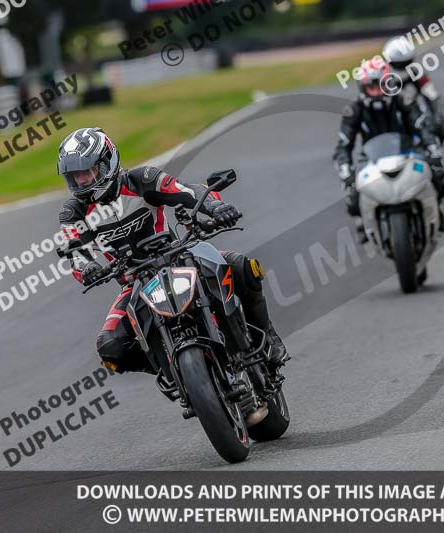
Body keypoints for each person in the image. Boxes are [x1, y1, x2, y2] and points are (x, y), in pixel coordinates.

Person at [56, 127, 289, 374]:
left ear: (107, 163)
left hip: (179, 258)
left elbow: (187, 191)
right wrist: (87, 267)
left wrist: (216, 208)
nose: (80, 181)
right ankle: (173, 370)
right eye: (73, 176)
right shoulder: (73, 212)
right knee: (111, 347)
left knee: (243, 267)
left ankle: (268, 337)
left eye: (85, 172)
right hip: (134, 283)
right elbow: (74, 251)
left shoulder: (142, 179)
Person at [333, 59, 444, 238]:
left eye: (380, 86)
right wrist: (345, 172)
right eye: (372, 88)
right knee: (352, 196)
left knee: (438, 172)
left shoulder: (404, 100)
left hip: (409, 150)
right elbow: (343, 146)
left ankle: (436, 208)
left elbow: (423, 127)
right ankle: (364, 220)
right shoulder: (354, 110)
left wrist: (433, 150)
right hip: (371, 158)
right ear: (363, 89)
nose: (377, 92)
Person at [382, 37, 444, 144]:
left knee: (441, 133)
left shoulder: (417, 74)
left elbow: (434, 96)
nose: (403, 67)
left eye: (406, 62)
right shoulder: (381, 79)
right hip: (389, 120)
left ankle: (433, 153)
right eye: (399, 63)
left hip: (414, 116)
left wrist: (438, 117)